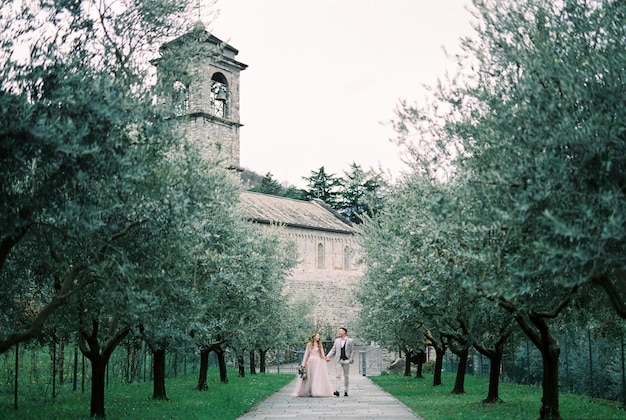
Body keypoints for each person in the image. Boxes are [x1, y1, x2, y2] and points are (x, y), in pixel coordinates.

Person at [293, 333, 333, 397]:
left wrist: (326, 358)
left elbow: (321, 354)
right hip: (310, 362)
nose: (318, 337)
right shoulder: (309, 344)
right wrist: (303, 364)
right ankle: (309, 390)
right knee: (310, 377)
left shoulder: (319, 344)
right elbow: (306, 355)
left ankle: (315, 391)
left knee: (316, 376)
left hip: (317, 362)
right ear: (313, 337)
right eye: (317, 336)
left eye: (319, 336)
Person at [325, 327, 354, 396]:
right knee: (338, 376)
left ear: (344, 332)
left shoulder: (350, 340)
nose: (339, 333)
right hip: (338, 360)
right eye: (339, 331)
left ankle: (346, 391)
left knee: (346, 376)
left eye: (340, 331)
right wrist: (328, 356)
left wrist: (350, 360)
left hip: (346, 360)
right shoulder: (337, 341)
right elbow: (333, 349)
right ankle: (337, 390)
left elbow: (353, 351)